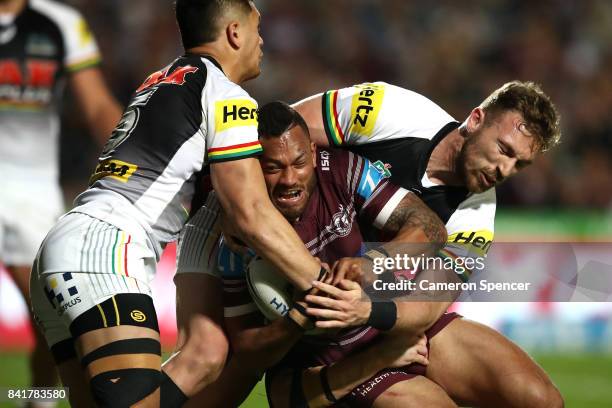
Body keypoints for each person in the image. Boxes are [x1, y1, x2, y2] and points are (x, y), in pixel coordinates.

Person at [29, 1, 325, 407]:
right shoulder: (227, 96)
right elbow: (251, 212)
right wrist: (323, 286)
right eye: (258, 28)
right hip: (106, 250)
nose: (262, 40)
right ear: (235, 33)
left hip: (67, 243)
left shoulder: (160, 81)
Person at [287, 81, 564, 407]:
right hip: (313, 289)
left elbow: (426, 305)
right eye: (504, 150)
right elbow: (284, 138)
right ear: (475, 120)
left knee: (540, 399)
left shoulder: (476, 220)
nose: (505, 170)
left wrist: (367, 310)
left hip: (383, 314)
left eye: (520, 164)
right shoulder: (388, 109)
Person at [175, 101, 450, 407]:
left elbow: (432, 229)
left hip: (385, 327)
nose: (289, 179)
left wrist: (376, 261)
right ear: (253, 168)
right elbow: (248, 353)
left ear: (314, 153)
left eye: (299, 162)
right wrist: (299, 317)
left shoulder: (345, 170)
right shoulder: (238, 238)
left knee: (513, 379)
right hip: (322, 367)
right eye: (273, 167)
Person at [0, 0, 122, 402]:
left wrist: (132, 164)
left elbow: (98, 106)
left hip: (29, 192)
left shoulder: (61, 24)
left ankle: (36, 398)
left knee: (49, 320)